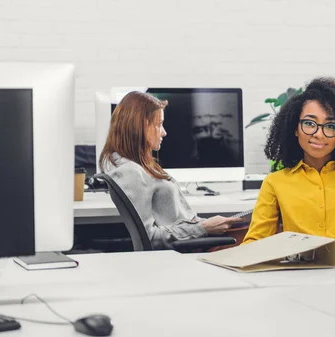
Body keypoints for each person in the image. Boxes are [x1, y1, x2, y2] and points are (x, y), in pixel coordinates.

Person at [242, 77, 335, 247]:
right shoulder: (276, 183)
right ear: (295, 129)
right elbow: (255, 243)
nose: (319, 134)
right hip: (302, 270)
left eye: (330, 126)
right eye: (309, 123)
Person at [99, 91, 242, 250]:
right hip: (190, 250)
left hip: (195, 242)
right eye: (159, 124)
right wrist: (203, 228)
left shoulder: (141, 166)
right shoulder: (129, 172)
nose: (164, 132)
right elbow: (149, 238)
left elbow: (177, 220)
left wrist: (207, 224)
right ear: (139, 126)